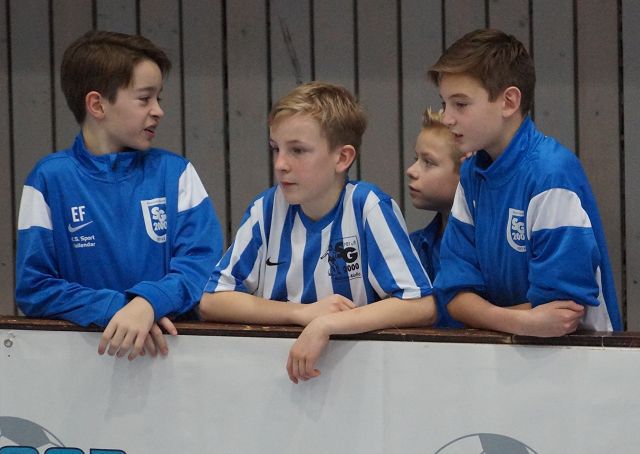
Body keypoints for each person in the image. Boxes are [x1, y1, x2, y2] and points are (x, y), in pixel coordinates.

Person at [200, 82, 436, 383]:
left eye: (298, 150)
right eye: (276, 149)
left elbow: (420, 304)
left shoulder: (367, 206)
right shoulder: (266, 209)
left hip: (357, 380)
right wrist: (300, 313)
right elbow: (213, 300)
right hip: (275, 381)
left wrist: (327, 324)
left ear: (342, 158)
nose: (280, 164)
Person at [15, 30, 223, 360]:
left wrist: (150, 303)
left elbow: (204, 268)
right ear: (97, 104)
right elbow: (34, 287)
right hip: (84, 366)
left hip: (176, 363)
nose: (158, 110)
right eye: (145, 99)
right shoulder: (48, 180)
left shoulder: (176, 173)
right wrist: (121, 308)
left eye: (159, 98)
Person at [428, 28, 622, 336]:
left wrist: (485, 315)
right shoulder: (471, 174)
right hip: (506, 352)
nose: (446, 118)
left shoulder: (551, 174)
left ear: (508, 101)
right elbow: (453, 295)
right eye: (444, 103)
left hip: (580, 359)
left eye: (460, 104)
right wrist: (519, 321)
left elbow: (562, 314)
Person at [406, 108, 465, 327]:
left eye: (428, 162)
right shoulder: (414, 246)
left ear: (466, 170)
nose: (411, 170)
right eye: (416, 159)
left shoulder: (491, 249)